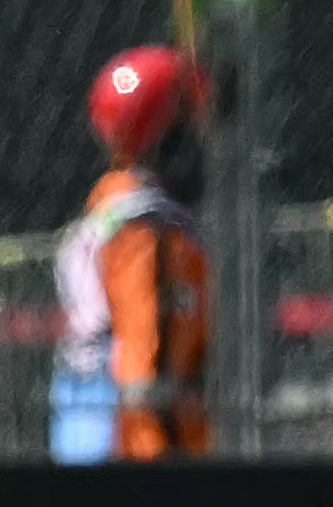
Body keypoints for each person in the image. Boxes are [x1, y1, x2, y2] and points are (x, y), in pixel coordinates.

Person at [50, 43, 216, 465]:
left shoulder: (112, 204)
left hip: (92, 426)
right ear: (168, 137)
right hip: (133, 449)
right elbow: (146, 366)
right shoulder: (147, 230)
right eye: (191, 127)